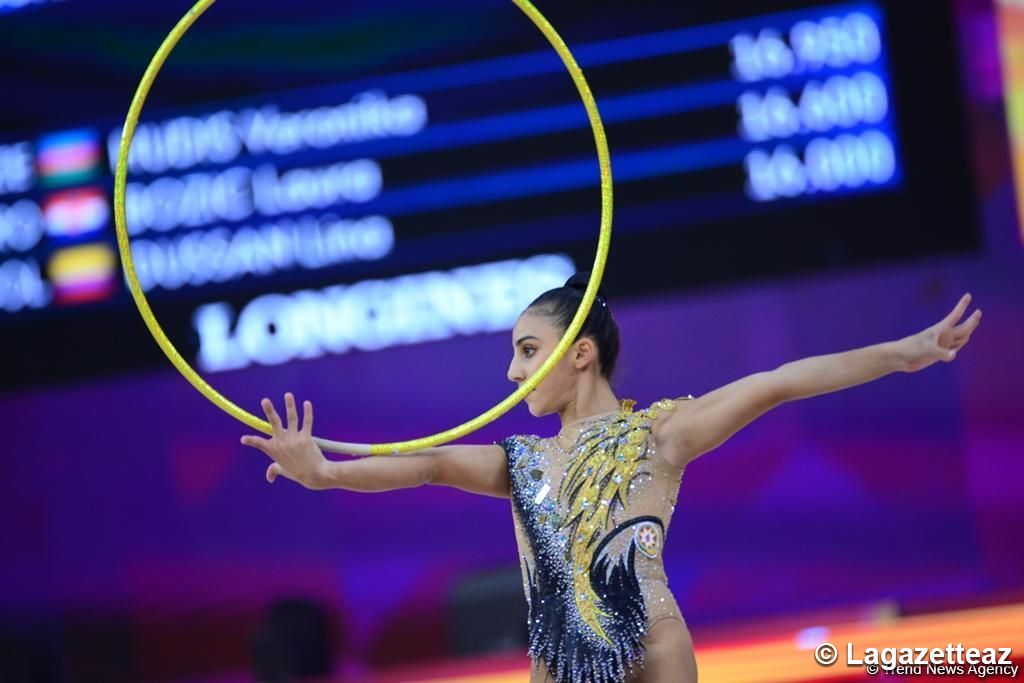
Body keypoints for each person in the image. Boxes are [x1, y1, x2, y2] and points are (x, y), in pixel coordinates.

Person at [240, 273, 982, 683]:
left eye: (528, 350)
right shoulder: (520, 461)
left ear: (580, 353)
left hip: (650, 650)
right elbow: (426, 462)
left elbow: (777, 381)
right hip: (556, 667)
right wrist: (327, 472)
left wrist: (904, 350)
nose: (512, 370)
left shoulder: (660, 433)